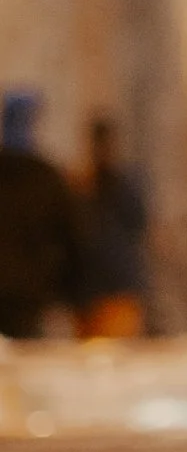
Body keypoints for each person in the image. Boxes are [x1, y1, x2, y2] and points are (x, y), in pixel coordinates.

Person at [0, 90, 84, 342]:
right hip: (31, 293)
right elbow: (74, 237)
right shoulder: (47, 177)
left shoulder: (47, 176)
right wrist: (65, 288)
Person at [76, 114, 151, 337]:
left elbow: (138, 224)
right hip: (94, 289)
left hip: (114, 288)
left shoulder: (121, 184)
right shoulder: (85, 184)